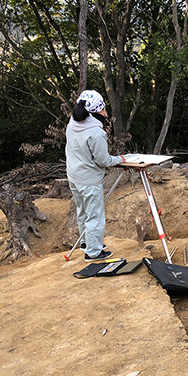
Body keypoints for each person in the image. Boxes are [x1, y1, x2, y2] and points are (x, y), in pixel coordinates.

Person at [65, 90, 125, 261]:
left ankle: (86, 242)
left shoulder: (72, 123)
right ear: (95, 112)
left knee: (82, 210)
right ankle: (93, 252)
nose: (106, 114)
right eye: (103, 110)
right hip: (89, 179)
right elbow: (103, 160)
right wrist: (119, 159)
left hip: (74, 176)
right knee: (95, 215)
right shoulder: (96, 133)